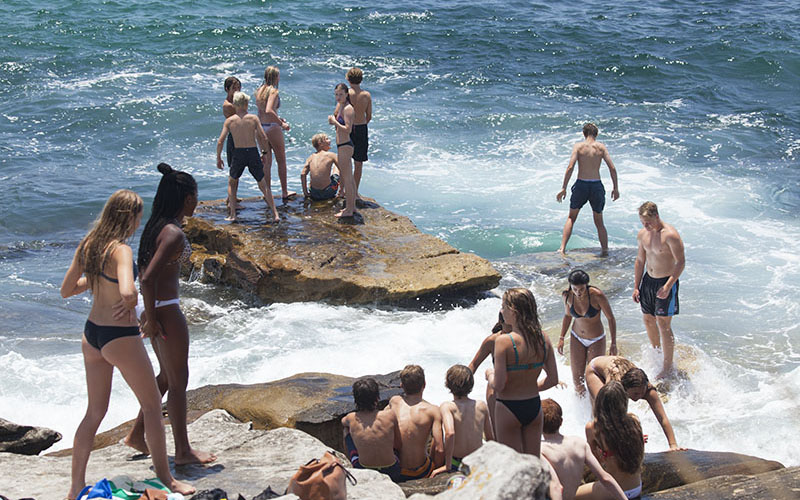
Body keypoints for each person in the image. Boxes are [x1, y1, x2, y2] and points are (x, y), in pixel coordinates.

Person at [61, 190, 194, 499]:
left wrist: (98, 282)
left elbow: (67, 289)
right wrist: (130, 300)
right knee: (152, 406)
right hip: (119, 336)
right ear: (128, 218)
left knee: (94, 412)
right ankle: (167, 480)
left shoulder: (88, 245)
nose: (138, 224)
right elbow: (128, 291)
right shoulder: (120, 250)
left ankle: (75, 486)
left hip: (92, 335)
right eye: (137, 218)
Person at [123, 163, 217, 466]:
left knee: (166, 376)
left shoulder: (156, 227)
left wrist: (147, 314)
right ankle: (183, 451)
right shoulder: (173, 233)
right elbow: (149, 277)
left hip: (153, 305)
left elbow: (144, 276)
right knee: (178, 382)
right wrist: (152, 320)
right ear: (187, 199)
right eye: (196, 197)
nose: (197, 202)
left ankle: (137, 434)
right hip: (164, 308)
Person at [488, 288, 558, 457]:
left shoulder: (503, 341)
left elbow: (498, 385)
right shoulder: (543, 338)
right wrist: (531, 387)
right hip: (533, 405)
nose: (501, 311)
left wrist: (489, 375)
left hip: (508, 407)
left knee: (513, 463)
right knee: (533, 462)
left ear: (514, 311)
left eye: (503, 306)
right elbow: (553, 379)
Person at [585, 355, 685, 452]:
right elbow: (614, 417)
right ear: (626, 389)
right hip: (595, 371)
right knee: (604, 411)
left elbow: (662, 418)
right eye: (635, 393)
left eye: (642, 393)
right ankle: (596, 446)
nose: (639, 396)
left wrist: (673, 445)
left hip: (616, 367)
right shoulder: (617, 387)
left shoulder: (649, 391)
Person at [633, 201, 685, 379]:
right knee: (648, 319)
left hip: (665, 281)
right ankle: (657, 356)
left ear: (656, 216)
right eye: (642, 222)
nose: (645, 226)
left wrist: (668, 286)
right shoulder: (643, 234)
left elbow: (681, 262)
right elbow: (640, 261)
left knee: (663, 324)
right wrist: (636, 286)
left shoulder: (670, 235)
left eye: (648, 222)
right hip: (648, 281)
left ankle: (667, 367)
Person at [540, 399, 626, 500]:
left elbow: (556, 487)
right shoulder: (580, 443)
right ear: (561, 421)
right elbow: (605, 478)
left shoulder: (541, 450)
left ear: (538, 424)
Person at [556, 123, 620, 256]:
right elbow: (612, 168)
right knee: (599, 222)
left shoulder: (579, 147)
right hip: (596, 185)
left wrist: (564, 188)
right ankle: (605, 250)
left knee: (571, 217)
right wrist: (615, 188)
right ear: (596, 134)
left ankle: (562, 248)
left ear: (584, 134)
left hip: (581, 185)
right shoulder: (601, 147)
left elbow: (570, 167)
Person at [216, 91, 279, 222]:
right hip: (252, 152)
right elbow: (263, 137)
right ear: (246, 104)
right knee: (263, 185)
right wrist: (264, 153)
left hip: (238, 153)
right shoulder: (253, 118)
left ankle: (232, 214)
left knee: (232, 182)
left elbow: (220, 141)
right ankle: (275, 214)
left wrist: (219, 158)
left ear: (235, 104)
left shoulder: (230, 121)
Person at [578, 382, 644, 500]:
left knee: (570, 494)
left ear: (599, 403)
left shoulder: (593, 427)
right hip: (636, 488)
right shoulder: (634, 421)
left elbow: (594, 462)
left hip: (613, 491)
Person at [558, 269, 618, 395]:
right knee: (578, 382)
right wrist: (561, 338)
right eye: (575, 289)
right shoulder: (567, 296)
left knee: (594, 380)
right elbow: (568, 316)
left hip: (596, 339)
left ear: (587, 285)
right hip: (576, 337)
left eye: (581, 289)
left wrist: (613, 343)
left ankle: (597, 406)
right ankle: (582, 407)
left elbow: (611, 318)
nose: (578, 292)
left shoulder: (597, 296)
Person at [430, 365, 494, 478]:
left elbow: (450, 433)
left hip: (457, 463)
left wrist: (447, 465)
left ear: (448, 384)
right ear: (471, 384)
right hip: (476, 460)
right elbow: (490, 438)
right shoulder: (481, 405)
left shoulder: (447, 406)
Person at [389, 365, 444, 481]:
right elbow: (439, 449)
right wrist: (437, 471)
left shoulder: (394, 402)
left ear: (401, 385)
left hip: (396, 469)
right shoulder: (433, 410)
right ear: (424, 384)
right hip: (421, 471)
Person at [342, 377, 402, 482]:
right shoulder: (390, 415)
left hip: (364, 469)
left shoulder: (351, 418)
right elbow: (398, 444)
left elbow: (342, 422)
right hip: (392, 470)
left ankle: (350, 459)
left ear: (356, 400)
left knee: (346, 430)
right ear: (377, 398)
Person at [255, 65, 296, 200]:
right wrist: (281, 123)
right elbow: (269, 110)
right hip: (272, 128)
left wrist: (278, 118)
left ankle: (267, 193)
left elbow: (262, 112)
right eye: (278, 75)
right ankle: (284, 191)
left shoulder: (259, 90)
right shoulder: (273, 91)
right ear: (275, 77)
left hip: (261, 127)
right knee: (281, 160)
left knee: (267, 162)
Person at [467, 312, 508, 435]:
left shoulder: (524, 339)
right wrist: (462, 389)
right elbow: (473, 365)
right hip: (495, 390)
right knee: (498, 433)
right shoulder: (492, 340)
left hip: (518, 388)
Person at [328, 83, 357, 218]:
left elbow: (348, 129)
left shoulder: (348, 108)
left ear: (346, 94)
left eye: (341, 94)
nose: (338, 97)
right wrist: (333, 120)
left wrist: (335, 122)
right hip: (342, 145)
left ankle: (349, 209)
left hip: (346, 145)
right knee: (349, 178)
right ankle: (352, 207)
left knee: (347, 178)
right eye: (336, 94)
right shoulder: (341, 106)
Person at [346, 67, 372, 201]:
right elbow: (369, 116)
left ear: (348, 79)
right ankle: (355, 192)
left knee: (345, 161)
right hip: (361, 128)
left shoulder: (346, 93)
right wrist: (362, 123)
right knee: (358, 163)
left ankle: (343, 190)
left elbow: (338, 112)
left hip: (348, 128)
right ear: (361, 79)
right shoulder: (366, 95)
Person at [300, 133, 340, 201]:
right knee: (336, 169)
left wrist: (305, 192)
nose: (330, 140)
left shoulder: (311, 157)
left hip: (314, 193)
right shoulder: (331, 155)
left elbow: (303, 174)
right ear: (320, 143)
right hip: (328, 192)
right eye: (327, 139)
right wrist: (341, 190)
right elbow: (343, 170)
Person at [222, 76, 241, 210]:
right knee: (234, 171)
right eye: (234, 88)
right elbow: (241, 117)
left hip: (238, 138)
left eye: (239, 88)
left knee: (236, 171)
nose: (237, 90)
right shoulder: (228, 105)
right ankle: (231, 201)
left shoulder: (236, 103)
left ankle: (232, 197)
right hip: (234, 140)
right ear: (227, 89)